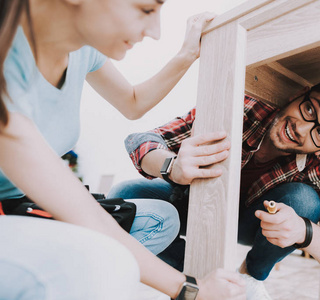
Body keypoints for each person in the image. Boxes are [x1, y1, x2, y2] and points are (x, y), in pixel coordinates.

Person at [0, 0, 245, 299]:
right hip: (8, 212)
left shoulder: (81, 50)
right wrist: (191, 291)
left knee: (160, 219)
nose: (155, 31)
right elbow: (89, 218)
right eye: (145, 9)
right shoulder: (9, 60)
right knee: (107, 262)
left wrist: (187, 54)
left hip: (27, 203)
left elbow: (132, 102)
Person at [109, 72, 320, 299]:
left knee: (304, 201)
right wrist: (172, 166)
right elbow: (142, 140)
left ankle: (249, 280)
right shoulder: (245, 109)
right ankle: (194, 275)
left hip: (252, 222)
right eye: (310, 110)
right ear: (301, 94)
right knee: (125, 195)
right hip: (197, 201)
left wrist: (305, 232)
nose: (302, 129)